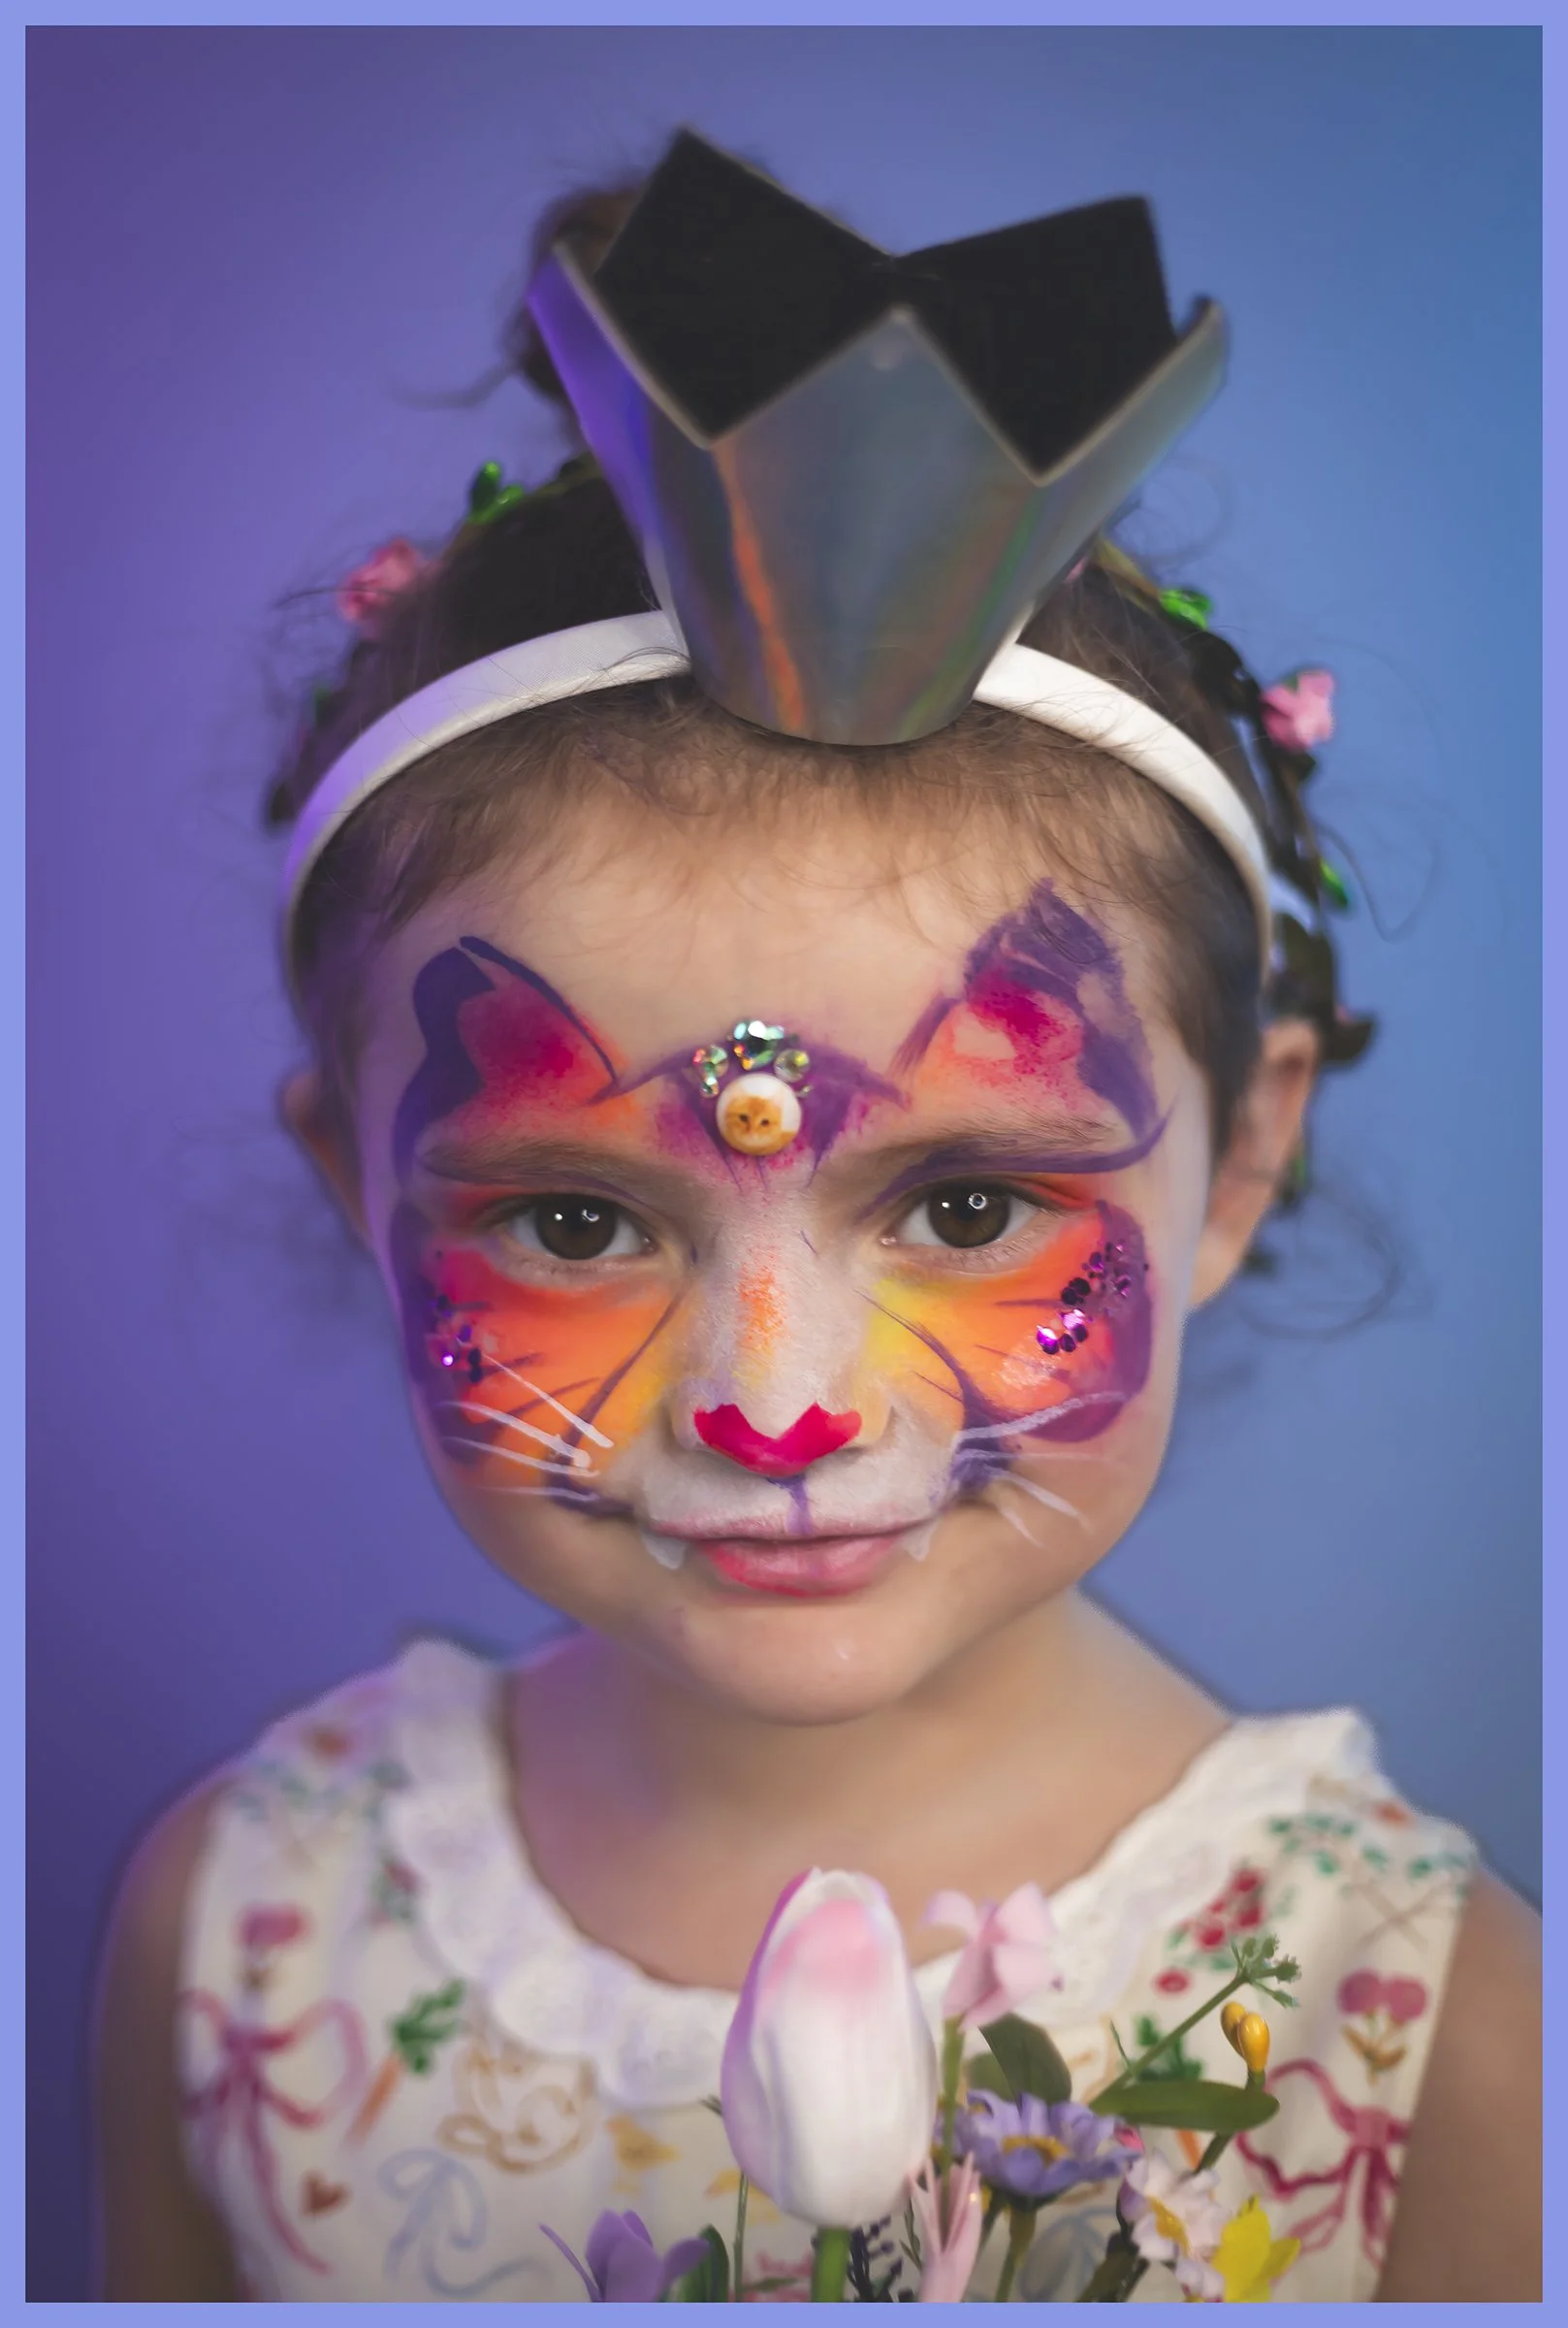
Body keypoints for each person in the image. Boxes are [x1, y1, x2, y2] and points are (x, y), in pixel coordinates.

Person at [92, 136, 1540, 2303]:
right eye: (577, 1224)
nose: (775, 1405)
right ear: (359, 1197)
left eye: (965, 1199)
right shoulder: (239, 1942)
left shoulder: (1430, 2039)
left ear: (1237, 1165)